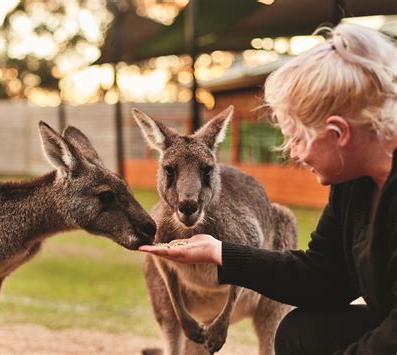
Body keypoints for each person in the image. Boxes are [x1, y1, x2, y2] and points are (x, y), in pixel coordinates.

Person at [139, 23, 397, 355]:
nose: (293, 153)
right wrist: (221, 253)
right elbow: (323, 276)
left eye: (297, 138)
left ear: (339, 133)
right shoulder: (353, 184)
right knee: (300, 332)